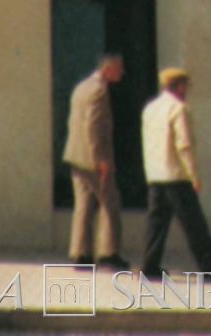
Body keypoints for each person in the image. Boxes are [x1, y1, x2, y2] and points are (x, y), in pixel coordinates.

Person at [139, 67, 211, 279]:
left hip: (156, 174)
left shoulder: (150, 109)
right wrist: (194, 175)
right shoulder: (179, 109)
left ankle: (149, 266)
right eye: (185, 86)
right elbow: (184, 145)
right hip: (176, 176)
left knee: (156, 225)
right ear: (179, 86)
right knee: (194, 224)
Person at [63, 53, 126, 267]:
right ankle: (109, 253)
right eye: (119, 68)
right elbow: (94, 126)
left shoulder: (81, 87)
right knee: (110, 203)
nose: (122, 73)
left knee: (83, 205)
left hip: (76, 156)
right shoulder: (99, 90)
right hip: (92, 158)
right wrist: (101, 158)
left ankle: (81, 253)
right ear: (108, 69)